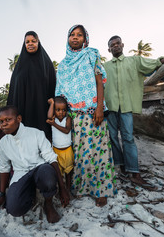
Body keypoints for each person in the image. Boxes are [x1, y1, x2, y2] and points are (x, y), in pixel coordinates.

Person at [104, 35, 164, 190]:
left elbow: (154, 63)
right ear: (109, 49)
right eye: (112, 45)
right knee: (112, 137)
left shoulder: (134, 61)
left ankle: (135, 173)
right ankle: (121, 166)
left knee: (128, 137)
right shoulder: (105, 66)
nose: (115, 46)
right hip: (109, 107)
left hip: (126, 106)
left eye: (118, 43)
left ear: (122, 45)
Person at [55, 24, 116, 207]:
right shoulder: (63, 64)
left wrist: (99, 108)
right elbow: (61, 92)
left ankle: (101, 190)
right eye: (72, 35)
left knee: (99, 150)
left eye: (79, 35)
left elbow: (100, 81)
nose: (75, 37)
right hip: (74, 115)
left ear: (85, 39)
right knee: (80, 152)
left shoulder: (92, 54)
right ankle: (81, 188)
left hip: (93, 112)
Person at [0, 106, 69, 223]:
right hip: (20, 174)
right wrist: (2, 194)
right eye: (1, 121)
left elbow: (52, 159)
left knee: (46, 174)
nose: (4, 124)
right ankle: (29, 193)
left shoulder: (36, 134)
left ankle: (48, 203)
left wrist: (62, 188)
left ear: (19, 119)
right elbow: (4, 168)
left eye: (8, 120)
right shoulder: (3, 143)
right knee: (14, 209)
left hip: (40, 170)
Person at [7, 31, 56, 141]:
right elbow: (13, 91)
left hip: (41, 111)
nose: (30, 44)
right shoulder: (19, 67)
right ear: (24, 44)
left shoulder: (47, 64)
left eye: (33, 41)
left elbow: (53, 86)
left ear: (38, 42)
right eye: (27, 42)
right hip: (23, 111)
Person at [46, 96, 73, 191]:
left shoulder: (68, 119)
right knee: (58, 172)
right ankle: (61, 190)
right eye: (57, 110)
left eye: (63, 110)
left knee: (69, 171)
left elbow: (66, 130)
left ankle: (68, 189)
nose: (61, 112)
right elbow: (49, 116)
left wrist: (54, 124)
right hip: (56, 151)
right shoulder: (53, 118)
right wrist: (52, 103)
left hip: (67, 150)